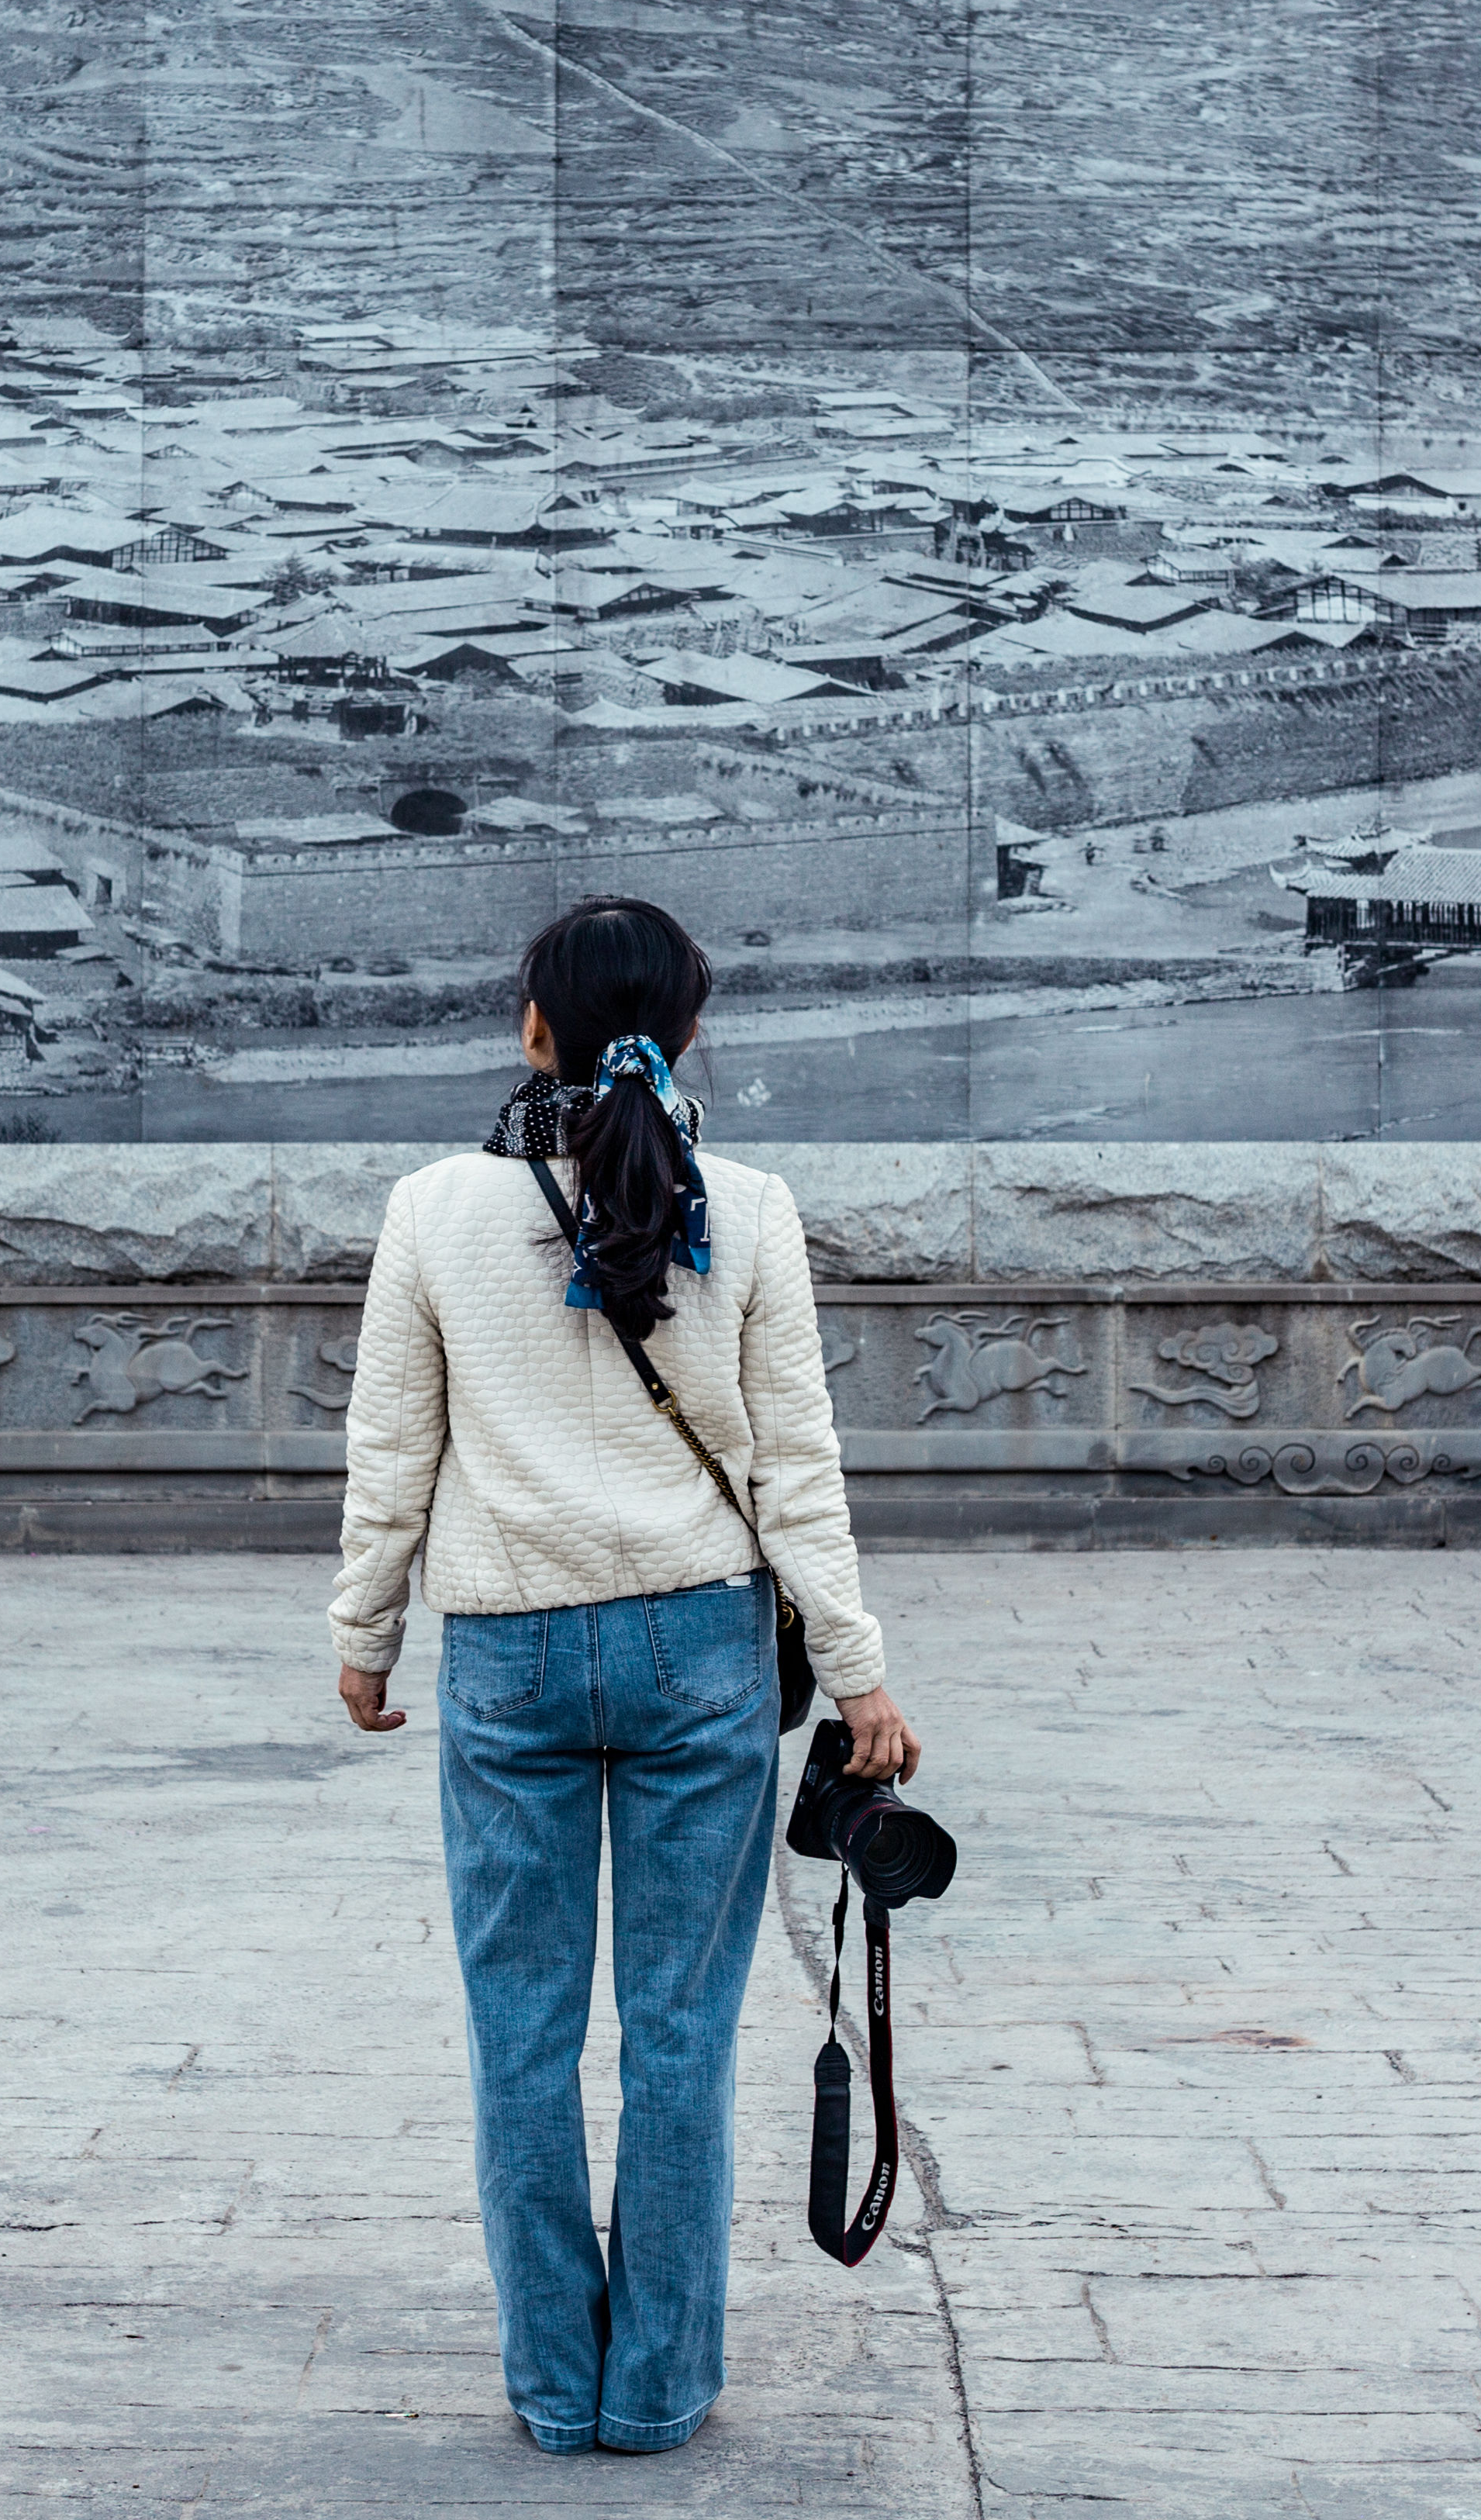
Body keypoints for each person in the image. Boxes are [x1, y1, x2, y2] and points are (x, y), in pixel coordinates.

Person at [331, 893, 917, 2459]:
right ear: (693, 1027)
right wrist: (858, 1678)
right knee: (679, 2033)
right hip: (698, 1652)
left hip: (510, 1649)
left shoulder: (433, 1210)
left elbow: (394, 1449)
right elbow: (799, 1472)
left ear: (534, 1028)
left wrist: (365, 1628)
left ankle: (549, 2384)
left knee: (519, 2035)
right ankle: (654, 2389)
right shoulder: (756, 1206)